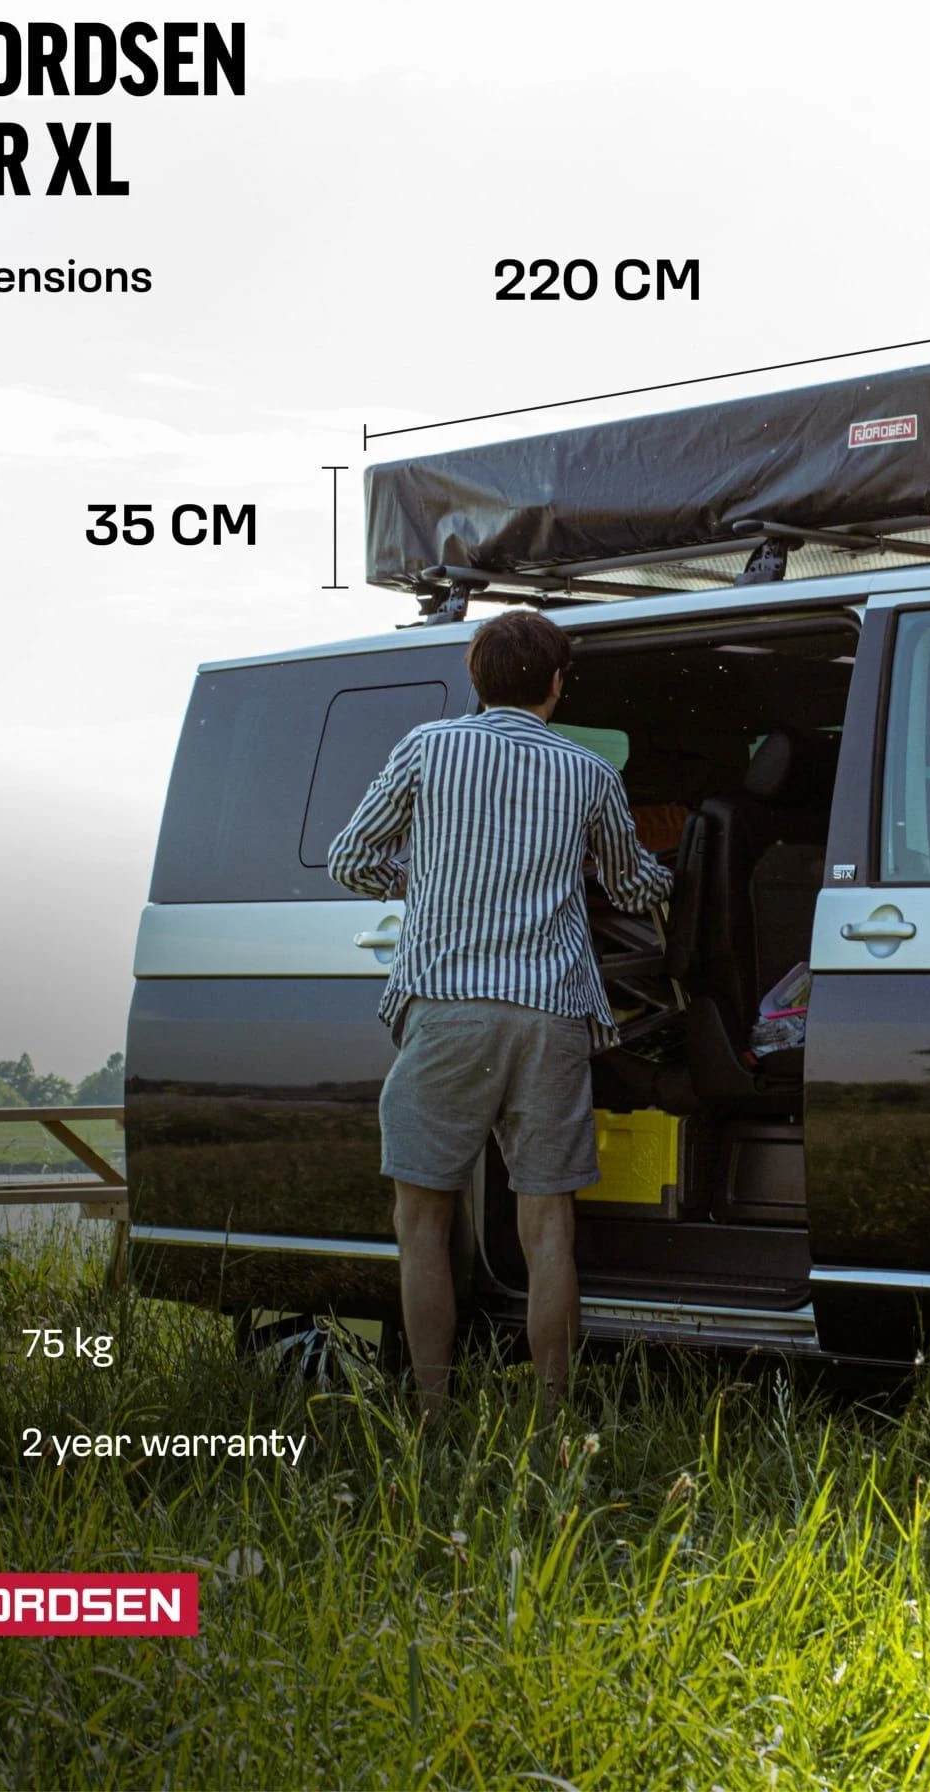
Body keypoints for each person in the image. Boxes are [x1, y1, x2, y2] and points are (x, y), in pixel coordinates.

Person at [327, 609, 670, 1421]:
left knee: (422, 1221)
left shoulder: (427, 748)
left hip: (446, 1009)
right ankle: (555, 1422)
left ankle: (433, 1412)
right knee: (548, 1227)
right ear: (556, 683)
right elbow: (633, 887)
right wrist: (673, 872)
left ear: (476, 680)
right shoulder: (589, 772)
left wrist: (423, 880)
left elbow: (351, 860)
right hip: (550, 1012)